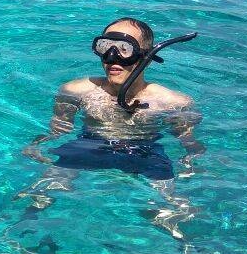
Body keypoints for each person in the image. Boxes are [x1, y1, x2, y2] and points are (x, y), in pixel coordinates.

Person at [17, 17, 203, 238]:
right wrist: (37, 145)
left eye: (124, 49)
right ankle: (15, 242)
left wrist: (191, 163)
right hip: (88, 145)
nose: (112, 58)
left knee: (178, 208)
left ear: (148, 57)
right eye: (105, 47)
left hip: (145, 151)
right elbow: (59, 129)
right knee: (36, 195)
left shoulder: (173, 103)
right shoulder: (75, 91)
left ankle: (186, 251)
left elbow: (188, 142)